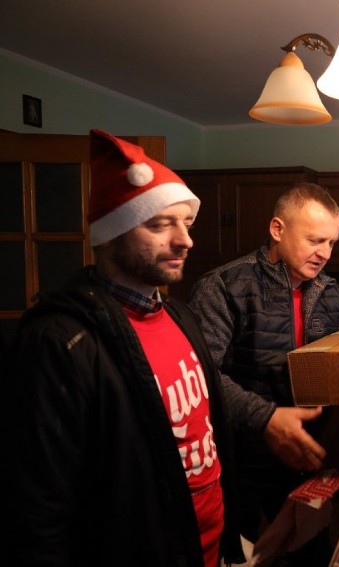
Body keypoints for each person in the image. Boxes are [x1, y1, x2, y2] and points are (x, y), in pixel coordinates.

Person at [0, 129, 242, 566]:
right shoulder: (60, 342)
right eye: (158, 224)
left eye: (185, 223)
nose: (185, 240)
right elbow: (38, 506)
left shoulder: (179, 315)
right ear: (109, 236)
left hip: (205, 546)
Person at [188, 182, 339, 564]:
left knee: (308, 549)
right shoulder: (222, 286)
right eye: (315, 240)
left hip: (308, 451)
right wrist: (266, 417)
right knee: (241, 553)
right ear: (278, 229)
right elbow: (202, 378)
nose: (324, 253)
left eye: (332, 243)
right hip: (241, 455)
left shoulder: (330, 292)